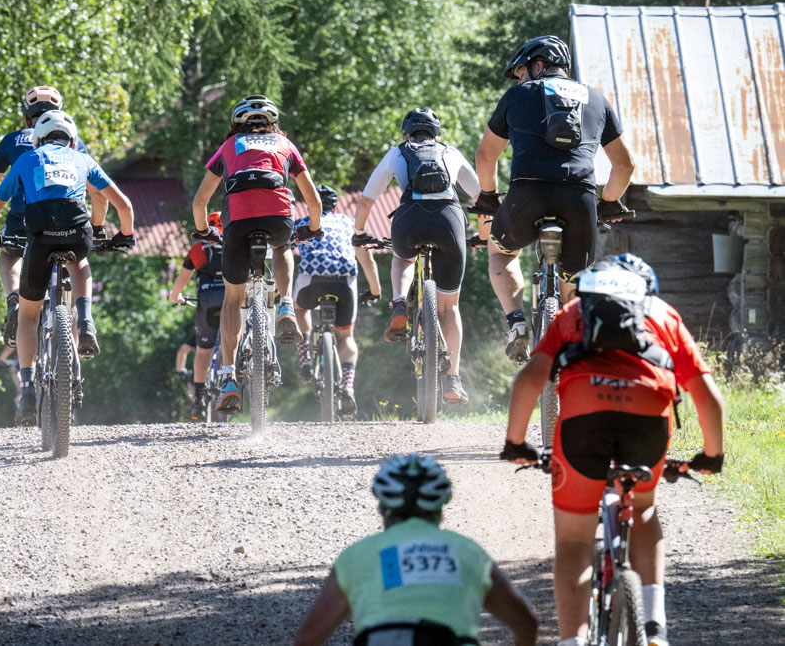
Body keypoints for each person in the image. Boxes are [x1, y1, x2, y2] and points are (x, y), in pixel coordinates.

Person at [500, 254, 726, 646]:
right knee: (643, 508)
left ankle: (573, 641)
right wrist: (712, 455)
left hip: (583, 418)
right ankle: (654, 627)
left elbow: (531, 379)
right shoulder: (663, 315)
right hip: (647, 415)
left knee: (573, 540)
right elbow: (707, 397)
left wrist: (516, 443)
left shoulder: (572, 313)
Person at [472, 35, 636, 362]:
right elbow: (625, 164)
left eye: (520, 72)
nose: (519, 79)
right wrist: (608, 203)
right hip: (579, 199)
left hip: (526, 196)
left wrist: (489, 198)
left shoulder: (518, 95)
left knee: (501, 252)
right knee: (573, 273)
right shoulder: (596, 99)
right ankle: (567, 333)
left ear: (537, 65)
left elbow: (485, 157)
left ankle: (516, 321)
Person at [0, 110, 136, 425]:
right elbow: (124, 205)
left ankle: (26, 389)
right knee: (81, 260)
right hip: (77, 232)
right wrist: (126, 237)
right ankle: (86, 319)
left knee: (29, 315)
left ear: (38, 138)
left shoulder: (27, 159)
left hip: (38, 237)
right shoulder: (83, 160)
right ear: (72, 140)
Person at [295, 453, 539, 646]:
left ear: (382, 506)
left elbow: (308, 639)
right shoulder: (469, 552)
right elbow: (526, 624)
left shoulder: (356, 556)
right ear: (441, 507)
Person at [190, 94, 325, 413]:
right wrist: (314, 227)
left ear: (236, 124)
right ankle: (286, 305)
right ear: (273, 122)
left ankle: (228, 379)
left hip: (237, 224)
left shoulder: (229, 147)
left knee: (232, 300)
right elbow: (314, 202)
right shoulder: (285, 144)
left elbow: (200, 203)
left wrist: (204, 231)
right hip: (278, 218)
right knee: (283, 246)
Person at [353, 108, 488, 405]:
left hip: (409, 220)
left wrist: (360, 232)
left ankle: (399, 301)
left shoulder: (397, 153)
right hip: (449, 221)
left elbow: (366, 199)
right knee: (449, 308)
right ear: (437, 134)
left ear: (406, 134)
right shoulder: (450, 152)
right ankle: (453, 377)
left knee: (403, 258)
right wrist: (482, 236)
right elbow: (481, 198)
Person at [0, 86, 103, 348]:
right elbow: (96, 190)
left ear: (26, 117)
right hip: (68, 222)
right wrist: (96, 228)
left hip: (23, 222)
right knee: (77, 268)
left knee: (9, 255)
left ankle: (14, 299)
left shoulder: (13, 141)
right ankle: (73, 364)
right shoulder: (74, 144)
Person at [292, 184, 379, 415]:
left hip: (311, 281)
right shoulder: (349, 223)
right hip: (344, 283)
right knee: (346, 337)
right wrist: (375, 290)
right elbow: (366, 258)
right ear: (335, 205)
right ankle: (348, 387)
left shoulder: (301, 223)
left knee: (298, 309)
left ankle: (305, 357)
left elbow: (283, 251)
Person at [168, 211, 227, 419]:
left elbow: (178, 287)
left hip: (207, 302)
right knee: (236, 340)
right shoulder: (234, 245)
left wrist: (176, 297)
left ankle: (199, 399)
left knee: (203, 350)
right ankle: (232, 382)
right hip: (232, 301)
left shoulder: (198, 249)